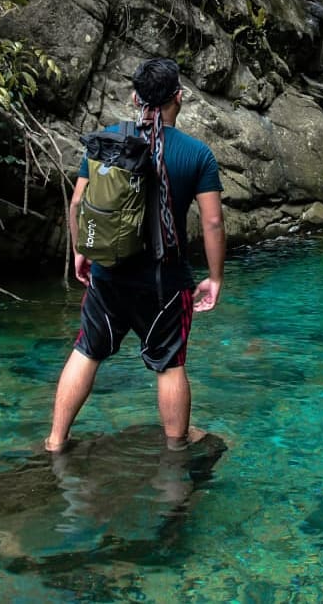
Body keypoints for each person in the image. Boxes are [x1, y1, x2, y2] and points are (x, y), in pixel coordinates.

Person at [46, 58, 226, 453]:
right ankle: (175, 451)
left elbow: (78, 203)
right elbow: (212, 224)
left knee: (86, 350)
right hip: (165, 284)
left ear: (134, 98)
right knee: (170, 364)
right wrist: (214, 277)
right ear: (178, 97)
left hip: (109, 275)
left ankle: (56, 442)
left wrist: (81, 251)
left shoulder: (106, 142)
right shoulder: (197, 155)